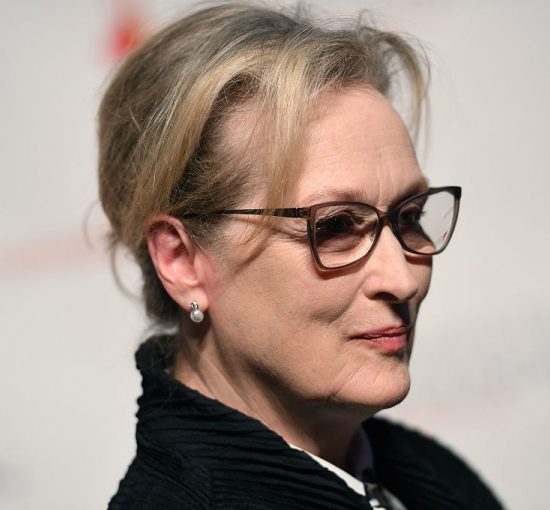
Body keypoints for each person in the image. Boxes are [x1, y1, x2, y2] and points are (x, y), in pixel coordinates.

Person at [99, 3, 503, 509]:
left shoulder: (434, 477)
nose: (402, 280)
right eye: (334, 227)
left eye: (410, 215)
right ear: (182, 262)